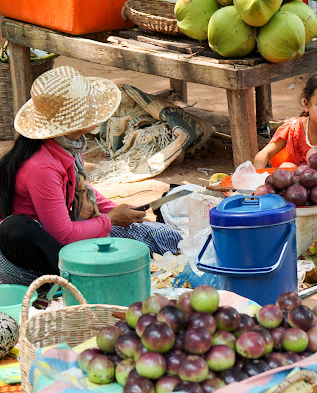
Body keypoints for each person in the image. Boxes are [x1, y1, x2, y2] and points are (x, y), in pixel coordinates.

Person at [0, 66, 182, 285]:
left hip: (63, 232)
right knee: (130, 253)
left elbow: (81, 188)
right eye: (87, 109)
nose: (96, 111)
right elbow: (63, 236)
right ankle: (72, 280)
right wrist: (111, 219)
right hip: (39, 250)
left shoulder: (68, 147)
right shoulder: (42, 167)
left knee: (165, 237)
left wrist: (113, 210)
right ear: (69, 125)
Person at [253, 69, 317, 177]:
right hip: (299, 185)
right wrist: (257, 178)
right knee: (287, 166)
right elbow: (264, 154)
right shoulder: (294, 128)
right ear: (306, 104)